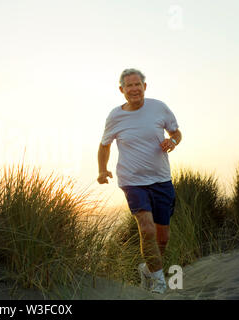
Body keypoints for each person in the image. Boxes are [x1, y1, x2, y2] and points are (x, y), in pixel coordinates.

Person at [97, 68, 182, 294]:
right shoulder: (115, 116)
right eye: (129, 85)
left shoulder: (159, 108)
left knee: (162, 237)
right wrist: (102, 170)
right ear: (121, 90)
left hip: (161, 180)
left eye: (138, 84)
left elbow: (177, 133)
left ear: (145, 86)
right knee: (146, 229)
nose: (134, 89)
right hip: (132, 181)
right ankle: (160, 283)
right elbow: (104, 144)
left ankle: (148, 269)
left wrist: (172, 142)